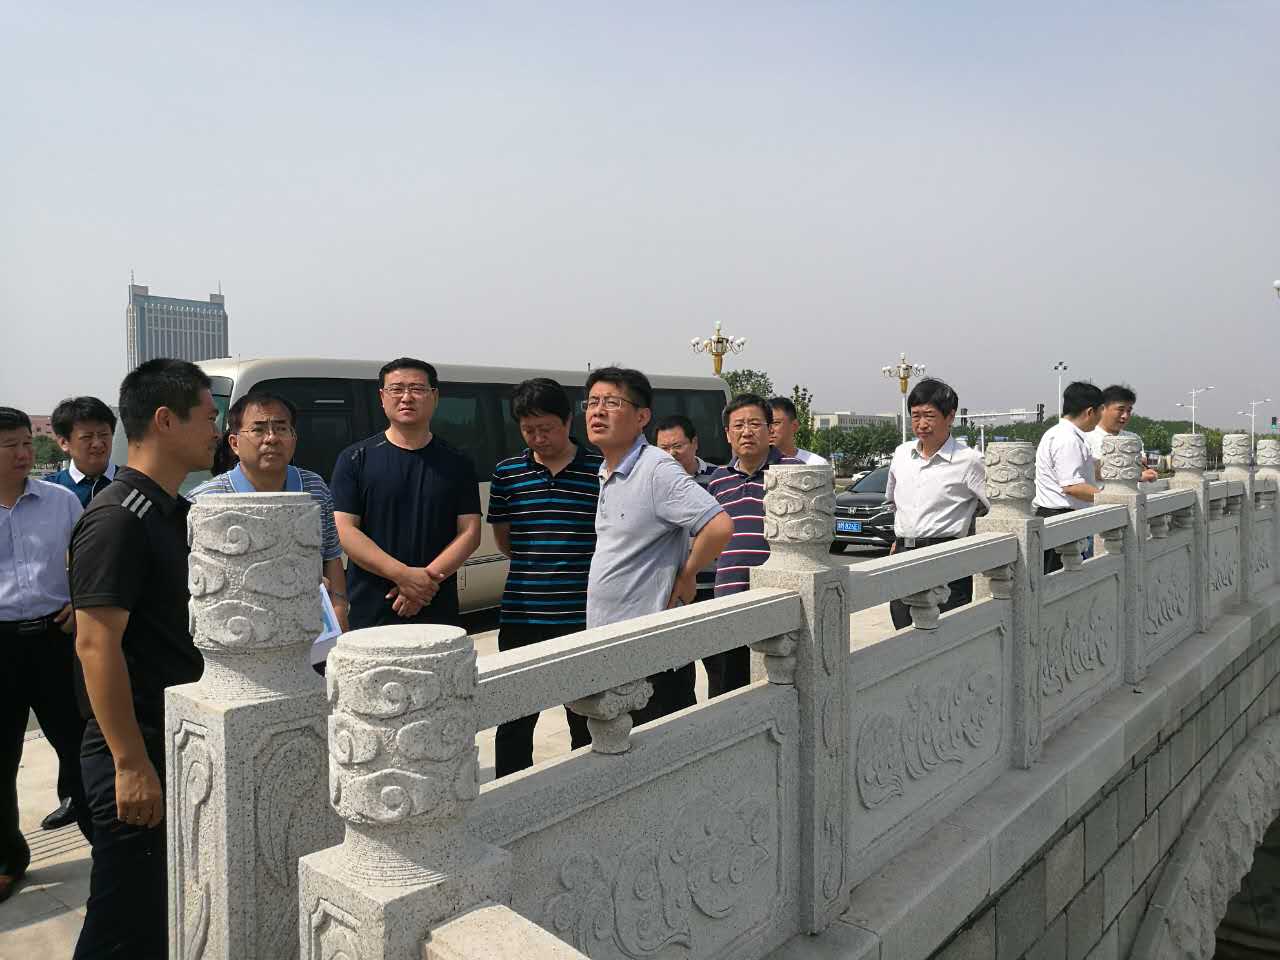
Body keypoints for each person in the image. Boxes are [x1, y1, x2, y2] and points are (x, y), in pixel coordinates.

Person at [69, 359, 219, 957]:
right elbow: (94, 645)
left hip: (171, 740)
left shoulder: (171, 511)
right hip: (133, 746)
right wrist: (130, 764)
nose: (217, 430)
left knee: (159, 915)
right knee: (121, 922)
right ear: (165, 420)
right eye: (208, 416)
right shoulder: (118, 518)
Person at [585, 367, 732, 726]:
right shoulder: (606, 470)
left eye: (611, 402)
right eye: (592, 402)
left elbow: (718, 526)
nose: (598, 411)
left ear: (642, 417)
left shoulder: (656, 469)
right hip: (613, 643)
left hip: (649, 650)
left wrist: (687, 574)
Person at [487, 379, 600, 776]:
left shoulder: (598, 471)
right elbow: (505, 540)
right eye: (528, 430)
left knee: (584, 711)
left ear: (568, 421)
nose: (538, 438)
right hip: (522, 614)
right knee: (514, 715)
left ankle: (585, 783)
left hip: (580, 615)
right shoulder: (507, 473)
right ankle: (510, 791)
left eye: (546, 428)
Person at [1, 408, 89, 903]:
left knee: (80, 745)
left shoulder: (60, 502)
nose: (22, 454)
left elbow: (89, 561)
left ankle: (106, 841)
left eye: (24, 443)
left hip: (57, 639)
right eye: (10, 445)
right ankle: (7, 858)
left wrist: (80, 602)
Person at [331, 358, 482, 630]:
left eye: (417, 389)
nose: (406, 397)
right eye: (396, 389)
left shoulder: (458, 463)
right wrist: (403, 576)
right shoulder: (354, 459)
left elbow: (469, 533)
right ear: (382, 397)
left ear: (435, 397)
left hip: (438, 606)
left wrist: (424, 583)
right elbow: (345, 530)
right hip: (371, 609)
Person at [189, 390, 349, 633]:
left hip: (309, 627)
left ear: (294, 438)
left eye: (282, 428)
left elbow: (331, 555)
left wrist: (339, 610)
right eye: (259, 429)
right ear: (234, 443)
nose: (272, 438)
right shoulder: (206, 500)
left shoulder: (314, 487)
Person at [706, 396, 801, 695]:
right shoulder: (718, 480)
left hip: (777, 599)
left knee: (778, 688)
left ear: (770, 429)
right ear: (727, 434)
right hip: (729, 600)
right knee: (728, 691)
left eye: (755, 424)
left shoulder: (792, 472)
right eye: (738, 425)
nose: (746, 432)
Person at [884, 379, 989, 629]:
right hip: (904, 555)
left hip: (947, 557)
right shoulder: (901, 454)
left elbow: (993, 509)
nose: (921, 424)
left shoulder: (970, 460)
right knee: (902, 632)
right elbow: (893, 501)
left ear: (950, 416)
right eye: (915, 416)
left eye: (929, 415)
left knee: (948, 635)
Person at [1033, 381, 1105, 574]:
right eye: (1101, 411)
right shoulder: (1068, 439)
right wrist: (1108, 499)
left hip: (1060, 517)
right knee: (1058, 581)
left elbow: (1089, 471)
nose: (1101, 418)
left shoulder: (1064, 434)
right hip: (1060, 519)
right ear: (1090, 412)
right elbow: (1072, 486)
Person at [655, 414, 719, 602]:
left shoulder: (718, 477)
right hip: (667, 586)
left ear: (694, 443)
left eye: (677, 446)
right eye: (664, 448)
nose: (671, 454)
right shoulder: (652, 482)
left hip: (711, 584)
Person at [44, 396, 118, 507]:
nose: (97, 444)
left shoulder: (132, 484)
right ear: (64, 443)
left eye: (104, 435)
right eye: (87, 437)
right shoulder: (49, 490)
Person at [1087, 384, 1158, 483]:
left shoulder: (1133, 439)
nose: (1125, 416)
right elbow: (1083, 472)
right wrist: (1136, 476)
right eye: (1120, 410)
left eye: (1129, 411)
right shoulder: (1086, 437)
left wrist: (1146, 473)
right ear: (1102, 408)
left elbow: (1141, 468)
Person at [768, 397, 827, 465]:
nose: (770, 430)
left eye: (776, 423)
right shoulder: (757, 464)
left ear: (794, 426)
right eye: (766, 424)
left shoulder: (816, 463)